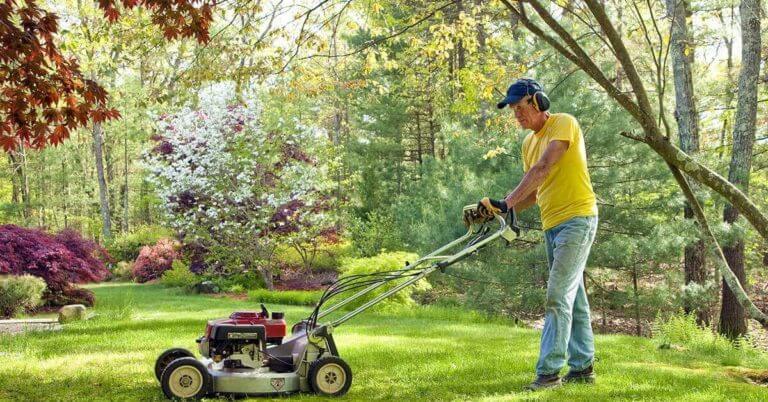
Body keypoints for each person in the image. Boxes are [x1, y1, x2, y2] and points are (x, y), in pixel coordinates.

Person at [478, 78, 598, 390]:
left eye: (520, 107)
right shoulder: (528, 143)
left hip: (578, 219)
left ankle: (549, 374)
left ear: (538, 102)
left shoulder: (562, 124)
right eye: (512, 110)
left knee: (557, 296)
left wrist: (507, 200)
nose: (516, 114)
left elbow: (543, 168)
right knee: (574, 299)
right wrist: (502, 209)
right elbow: (534, 191)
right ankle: (583, 368)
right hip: (552, 224)